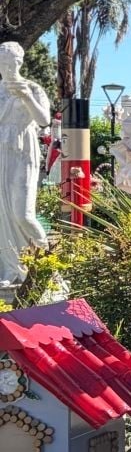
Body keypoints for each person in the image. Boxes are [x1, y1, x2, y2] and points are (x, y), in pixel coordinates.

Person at [0, 42, 50, 290]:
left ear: (20, 63)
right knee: (2, 215)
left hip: (23, 153)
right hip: (1, 153)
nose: (7, 69)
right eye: (3, 64)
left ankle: (45, 264)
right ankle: (11, 267)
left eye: (12, 64)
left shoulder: (32, 88)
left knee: (23, 214)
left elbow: (44, 120)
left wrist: (26, 97)